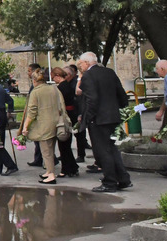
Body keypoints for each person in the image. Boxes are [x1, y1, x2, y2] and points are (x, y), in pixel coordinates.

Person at [78, 52, 132, 192]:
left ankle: (110, 182)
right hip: (112, 117)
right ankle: (123, 178)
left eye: (81, 63)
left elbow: (92, 99)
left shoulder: (88, 76)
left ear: (87, 63)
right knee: (113, 149)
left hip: (98, 119)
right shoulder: (109, 72)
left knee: (103, 151)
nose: (80, 66)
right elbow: (121, 94)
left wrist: (87, 117)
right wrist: (118, 110)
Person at [22, 68, 65, 184]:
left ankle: (51, 175)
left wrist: (25, 127)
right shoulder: (54, 89)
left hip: (43, 125)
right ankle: (49, 171)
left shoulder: (35, 92)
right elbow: (62, 105)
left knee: (46, 151)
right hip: (56, 123)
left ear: (34, 80)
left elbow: (32, 112)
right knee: (50, 149)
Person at [51, 67, 80, 177]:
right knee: (66, 144)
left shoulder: (61, 88)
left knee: (63, 143)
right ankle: (72, 167)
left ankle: (66, 169)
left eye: (53, 77)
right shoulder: (67, 85)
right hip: (71, 114)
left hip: (65, 115)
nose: (53, 80)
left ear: (58, 76)